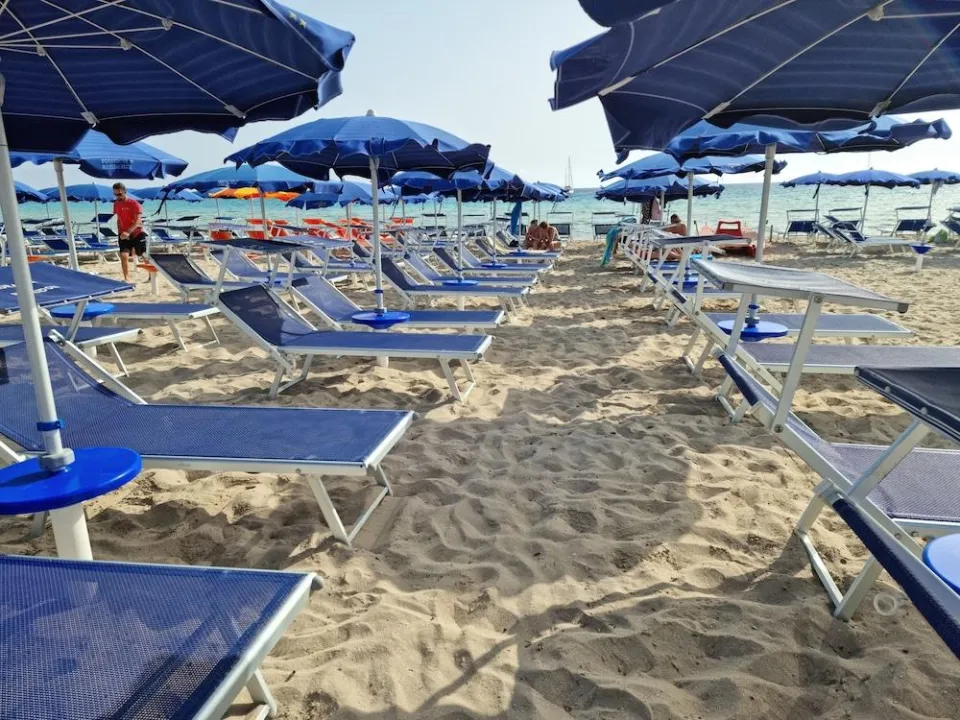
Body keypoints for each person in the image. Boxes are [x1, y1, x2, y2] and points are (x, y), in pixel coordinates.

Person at [113, 182, 147, 282]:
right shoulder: (116, 204)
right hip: (124, 234)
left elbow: (138, 221)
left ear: (125, 192)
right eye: (115, 194)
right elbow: (119, 219)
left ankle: (151, 276)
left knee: (144, 255)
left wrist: (128, 232)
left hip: (137, 233)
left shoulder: (134, 204)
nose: (117, 196)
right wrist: (120, 231)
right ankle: (126, 279)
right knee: (124, 255)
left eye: (119, 194)